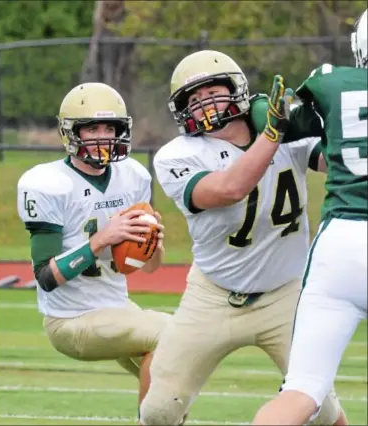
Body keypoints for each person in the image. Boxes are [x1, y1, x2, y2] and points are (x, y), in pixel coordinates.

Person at [139, 50, 347, 425]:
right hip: (212, 295)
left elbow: (338, 161)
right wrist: (273, 134)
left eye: (211, 92)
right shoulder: (177, 155)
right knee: (158, 410)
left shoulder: (286, 133)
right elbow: (229, 189)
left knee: (324, 412)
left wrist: (336, 118)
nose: (204, 104)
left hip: (285, 295)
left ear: (236, 91)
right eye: (194, 100)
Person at [16, 82, 170, 412]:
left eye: (110, 128)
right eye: (92, 128)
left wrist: (152, 244)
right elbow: (45, 276)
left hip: (117, 308)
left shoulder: (132, 176)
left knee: (176, 380)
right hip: (71, 319)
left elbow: (148, 267)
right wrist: (102, 238)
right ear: (72, 133)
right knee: (173, 335)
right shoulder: (49, 184)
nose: (103, 136)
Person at [252, 9, 367, 426]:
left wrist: (262, 106)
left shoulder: (332, 83)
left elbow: (280, 120)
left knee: (302, 388)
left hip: (342, 244)